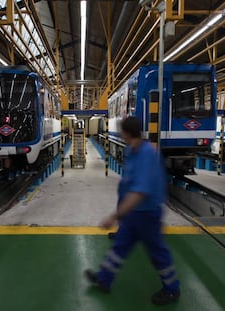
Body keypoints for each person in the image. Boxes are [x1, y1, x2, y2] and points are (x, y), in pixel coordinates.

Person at [84, 116, 180, 305]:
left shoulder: (146, 154)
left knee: (157, 253)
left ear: (127, 133)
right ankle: (104, 279)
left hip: (147, 213)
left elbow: (140, 192)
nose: (120, 134)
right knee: (120, 247)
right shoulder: (131, 151)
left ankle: (172, 289)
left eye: (122, 131)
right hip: (132, 214)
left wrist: (114, 216)